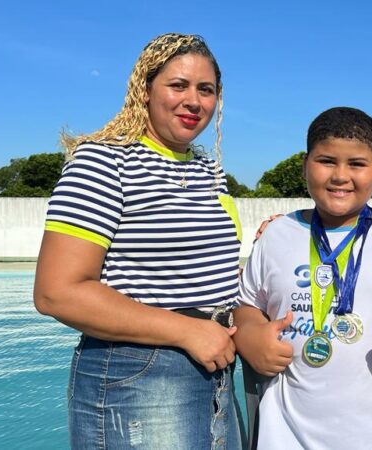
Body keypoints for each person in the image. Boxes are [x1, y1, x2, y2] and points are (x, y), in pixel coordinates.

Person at [33, 33, 242, 449]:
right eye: (178, 85)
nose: (194, 101)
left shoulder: (208, 170)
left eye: (206, 89)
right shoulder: (104, 160)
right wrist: (188, 331)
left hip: (215, 369)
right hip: (140, 375)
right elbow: (57, 292)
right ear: (144, 90)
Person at [234, 107, 372, 449]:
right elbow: (246, 305)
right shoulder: (277, 234)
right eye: (326, 161)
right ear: (306, 164)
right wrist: (250, 336)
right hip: (284, 435)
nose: (340, 176)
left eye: (357, 164)